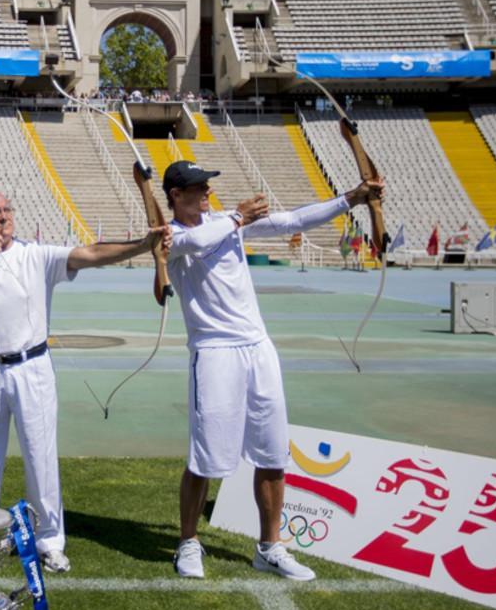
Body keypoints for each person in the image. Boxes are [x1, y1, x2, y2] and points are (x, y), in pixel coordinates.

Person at [0, 190, 170, 573]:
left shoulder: (35, 255)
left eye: (7, 210)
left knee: (40, 454)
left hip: (32, 367)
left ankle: (48, 540)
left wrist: (143, 245)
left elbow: (91, 254)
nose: (3, 218)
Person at [162, 160, 384, 580]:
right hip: (214, 352)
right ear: (176, 194)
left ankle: (270, 546)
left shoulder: (227, 223)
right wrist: (237, 216)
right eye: (197, 187)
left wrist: (352, 198)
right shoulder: (173, 236)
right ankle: (188, 542)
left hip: (258, 348)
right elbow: (195, 243)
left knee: (273, 451)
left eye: (208, 184)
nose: (207, 191)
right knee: (205, 456)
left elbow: (291, 221)